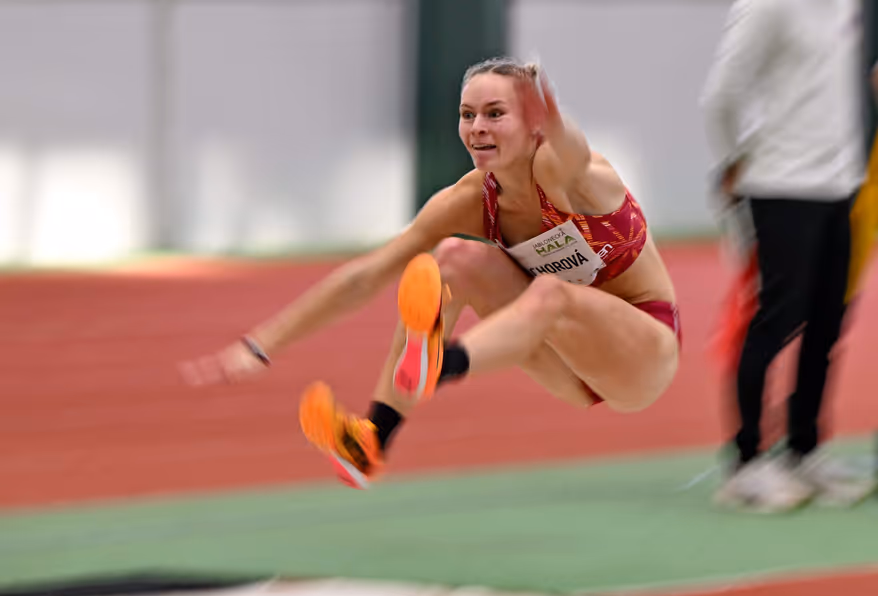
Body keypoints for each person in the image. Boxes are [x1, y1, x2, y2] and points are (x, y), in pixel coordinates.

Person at [183, 57, 682, 489]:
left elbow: (570, 149)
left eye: (495, 114)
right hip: (564, 364)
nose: (477, 128)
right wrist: (260, 343)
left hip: (640, 354)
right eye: (467, 115)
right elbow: (366, 276)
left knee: (551, 293)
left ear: (533, 124)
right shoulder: (470, 200)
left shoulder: (569, 172)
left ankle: (440, 365)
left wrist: (554, 117)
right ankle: (370, 442)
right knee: (452, 259)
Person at [702, 0, 875, 512]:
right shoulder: (766, 5)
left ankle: (805, 450)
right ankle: (747, 463)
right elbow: (721, 93)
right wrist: (733, 160)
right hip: (781, 185)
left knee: (828, 323)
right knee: (775, 321)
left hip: (841, 186)